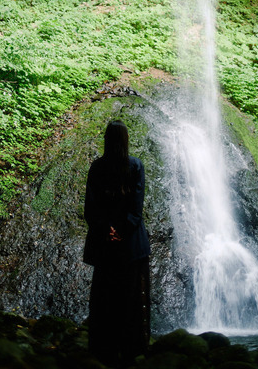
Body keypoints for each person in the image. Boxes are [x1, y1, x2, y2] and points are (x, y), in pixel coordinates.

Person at [83, 120, 151, 367]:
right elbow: (137, 206)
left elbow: (91, 208)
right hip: (131, 245)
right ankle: (133, 348)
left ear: (106, 140)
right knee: (131, 297)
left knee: (106, 296)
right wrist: (122, 230)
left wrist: (107, 230)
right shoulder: (135, 165)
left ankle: (104, 348)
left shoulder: (97, 167)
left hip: (105, 246)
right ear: (126, 140)